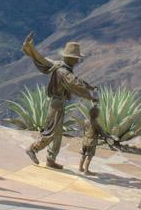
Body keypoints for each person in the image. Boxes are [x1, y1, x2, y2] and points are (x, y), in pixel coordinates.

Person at [21, 32, 97, 169]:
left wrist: (88, 86)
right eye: (76, 58)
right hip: (56, 105)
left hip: (58, 104)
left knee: (57, 134)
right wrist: (90, 95)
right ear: (71, 59)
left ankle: (51, 158)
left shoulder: (58, 66)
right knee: (51, 132)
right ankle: (33, 149)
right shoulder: (64, 72)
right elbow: (76, 85)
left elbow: (42, 59)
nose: (77, 61)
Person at [79, 105, 106, 176]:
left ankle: (80, 168)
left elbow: (84, 130)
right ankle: (86, 170)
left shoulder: (85, 121)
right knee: (89, 156)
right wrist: (106, 136)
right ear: (97, 115)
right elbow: (101, 132)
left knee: (83, 155)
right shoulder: (96, 123)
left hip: (84, 140)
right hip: (91, 142)